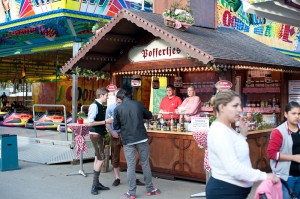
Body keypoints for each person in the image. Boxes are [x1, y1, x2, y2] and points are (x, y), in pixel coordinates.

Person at [206, 90, 278, 199]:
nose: (240, 110)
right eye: (235, 106)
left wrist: (242, 135)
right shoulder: (219, 131)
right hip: (225, 192)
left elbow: (234, 148)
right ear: (222, 107)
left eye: (240, 105)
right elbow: (233, 168)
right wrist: (264, 175)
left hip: (231, 191)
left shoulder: (227, 128)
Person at [113, 89, 161, 199]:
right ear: (129, 96)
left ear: (121, 98)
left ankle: (131, 192)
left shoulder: (118, 109)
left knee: (130, 165)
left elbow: (116, 127)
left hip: (127, 140)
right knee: (145, 163)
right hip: (141, 138)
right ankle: (150, 188)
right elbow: (149, 115)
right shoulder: (138, 104)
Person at [105, 89, 145, 187]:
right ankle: (117, 177)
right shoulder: (110, 108)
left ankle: (133, 178)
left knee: (131, 157)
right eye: (117, 95)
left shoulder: (128, 106)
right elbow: (107, 122)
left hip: (126, 134)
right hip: (115, 134)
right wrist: (112, 132)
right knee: (115, 156)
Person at [267, 101, 300, 198]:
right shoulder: (278, 132)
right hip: (284, 176)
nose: (297, 116)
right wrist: (294, 158)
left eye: (299, 114)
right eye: (293, 113)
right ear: (286, 114)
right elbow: (271, 154)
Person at [87, 88, 113, 195]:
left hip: (99, 134)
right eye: (106, 95)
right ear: (101, 95)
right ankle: (94, 185)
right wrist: (106, 121)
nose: (107, 97)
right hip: (96, 135)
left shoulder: (100, 105)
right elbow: (90, 123)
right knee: (101, 159)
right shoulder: (94, 105)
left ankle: (96, 183)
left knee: (97, 158)